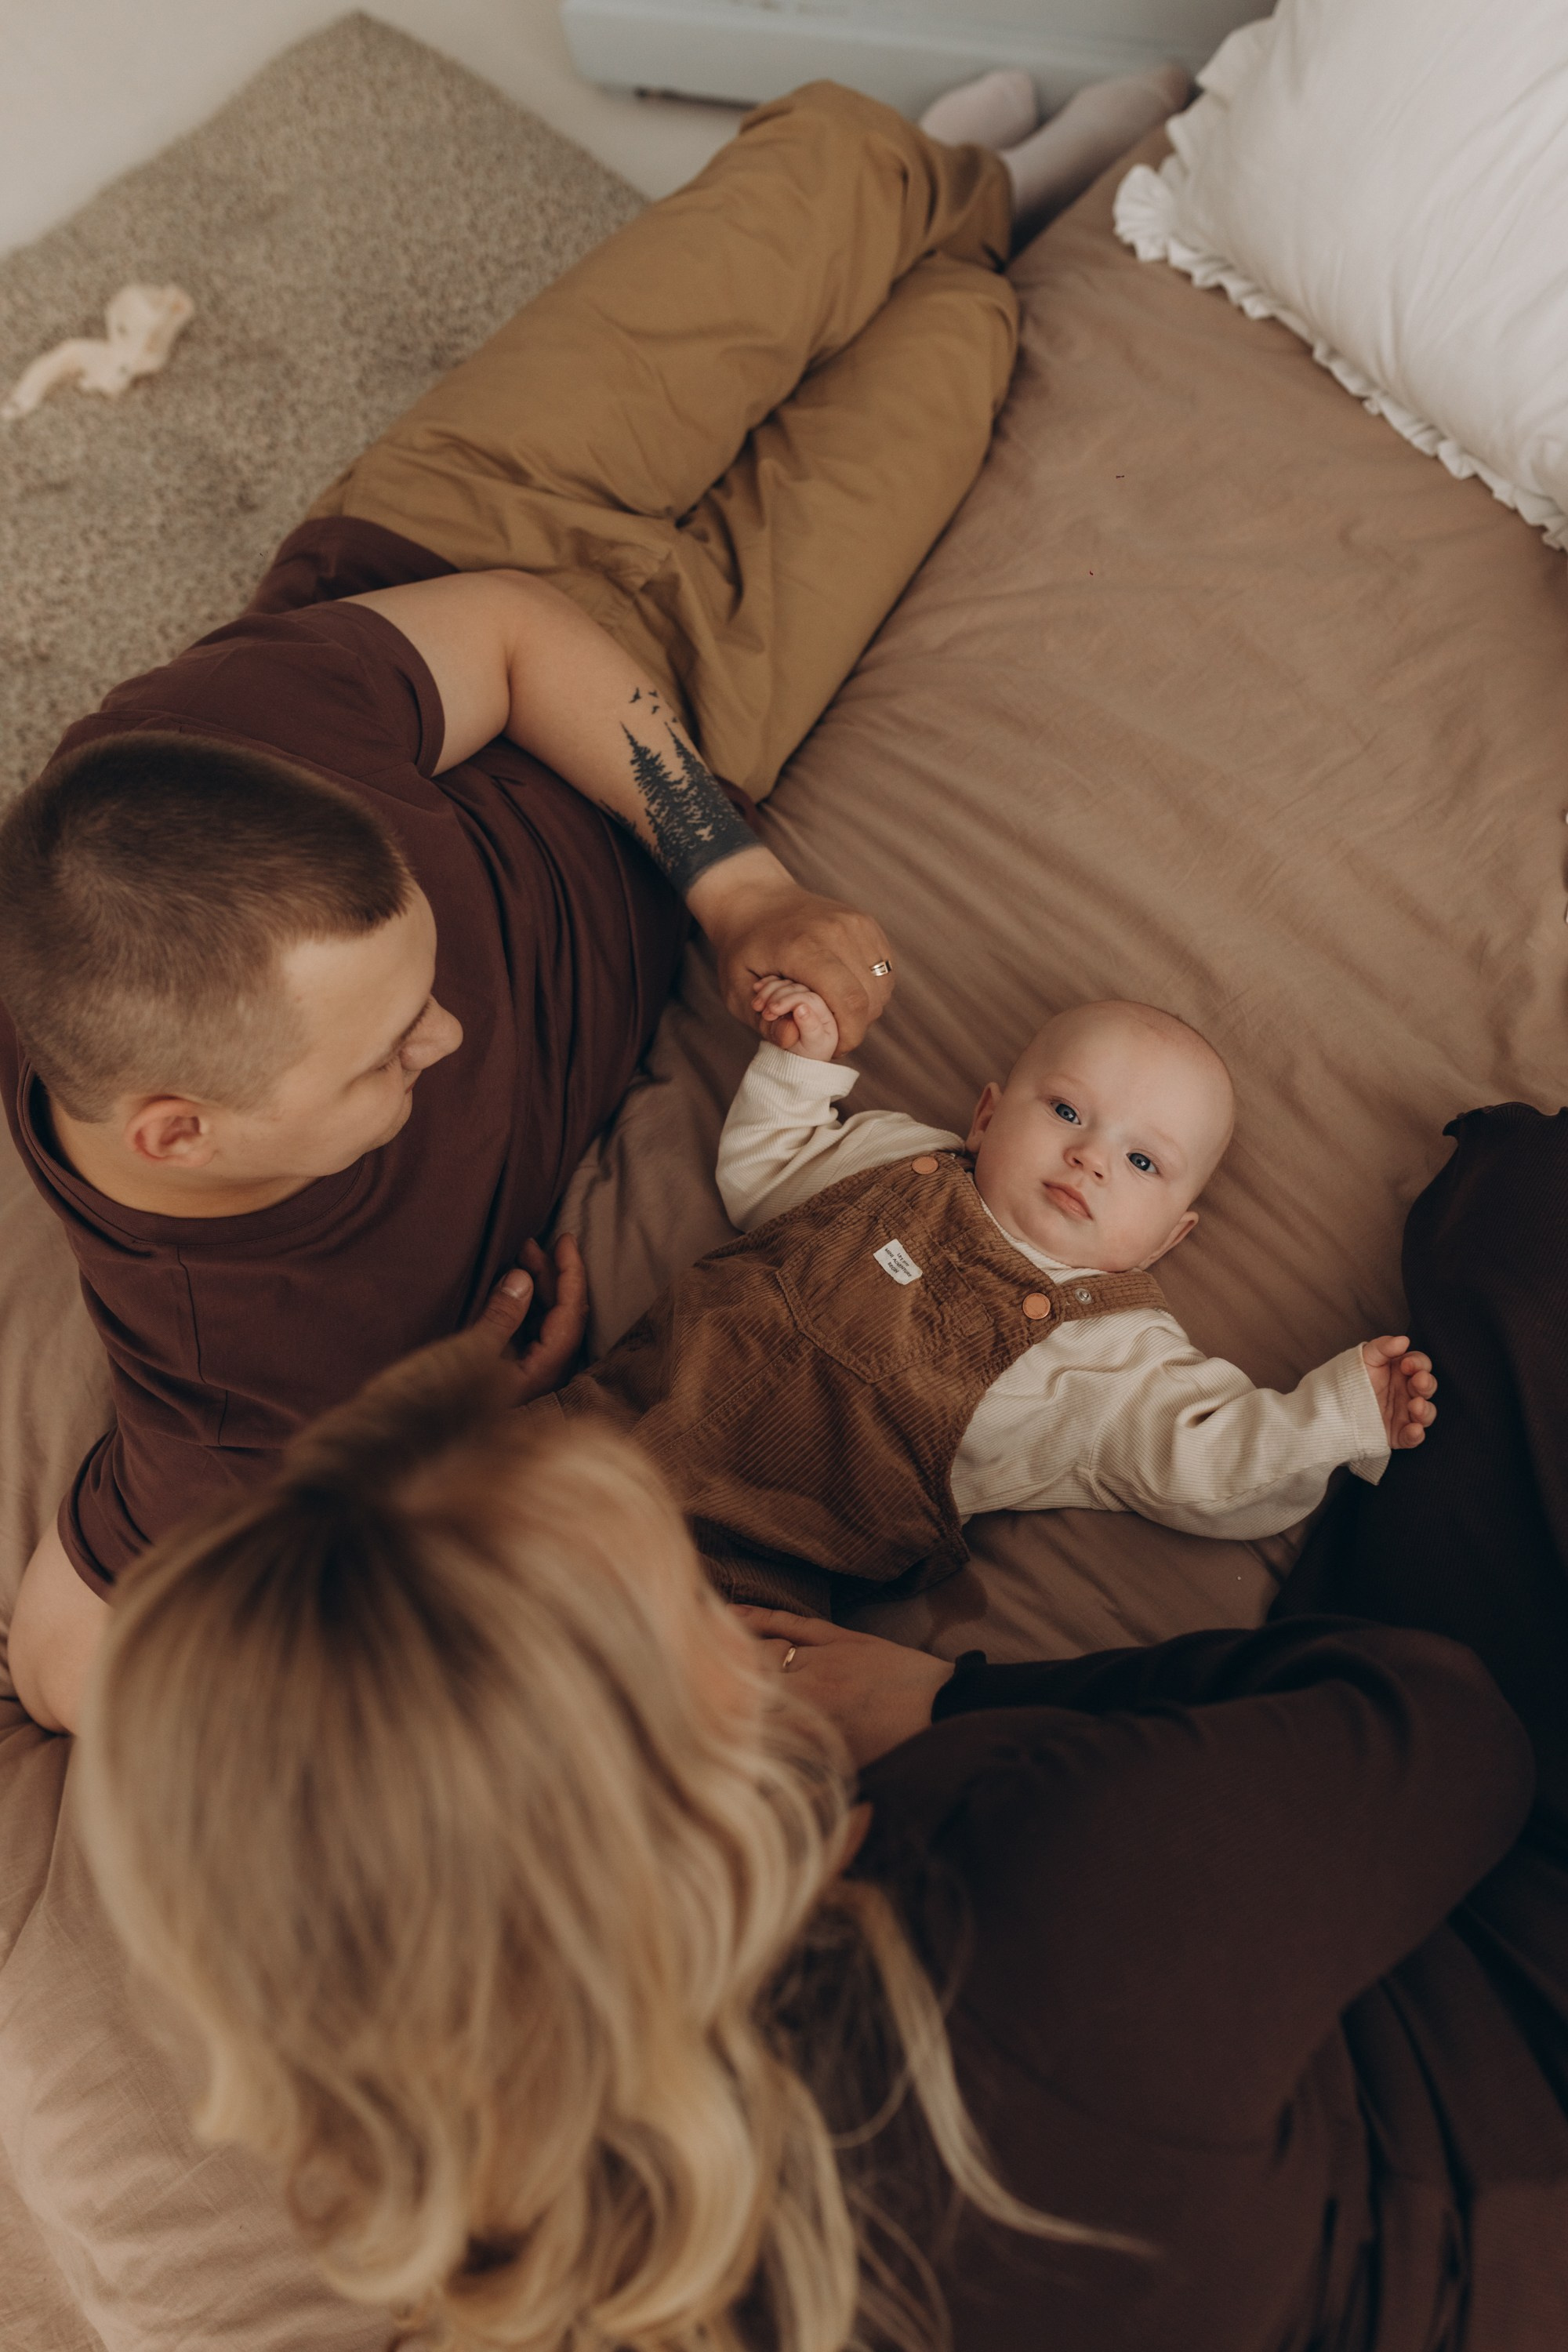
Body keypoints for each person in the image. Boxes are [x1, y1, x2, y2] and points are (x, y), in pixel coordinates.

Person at [0, 68, 1193, 1734]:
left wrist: (742, 890)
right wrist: (425, 1431)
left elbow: (497, 631)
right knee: (960, 352)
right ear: (180, 1133)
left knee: (842, 165)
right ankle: (991, 219)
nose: (451, 1026)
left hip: (461, 545)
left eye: (414, 976)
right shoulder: (243, 1385)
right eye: (381, 1055)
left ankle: (963, 171)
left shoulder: (164, 789)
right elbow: (63, 1667)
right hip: (703, 703)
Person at [77, 1102, 1568, 2349]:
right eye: (676, 1596)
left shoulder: (514, 2238)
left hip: (1262, 2066)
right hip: (1492, 2038)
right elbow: (1448, 1729)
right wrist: (952, 1697)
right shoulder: (1025, 1882)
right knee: (1525, 1226)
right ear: (676, 1763)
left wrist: (442, 1498)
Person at [545, 996, 1436, 1610]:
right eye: (1066, 1111)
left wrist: (1337, 1413)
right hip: (586, 1439)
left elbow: (1211, 1468)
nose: (1090, 1156)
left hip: (741, 1576)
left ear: (1172, 1237)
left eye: (1141, 1163)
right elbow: (766, 1171)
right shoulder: (891, 1158)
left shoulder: (1120, 1354)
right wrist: (799, 1063)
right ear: (984, 1116)